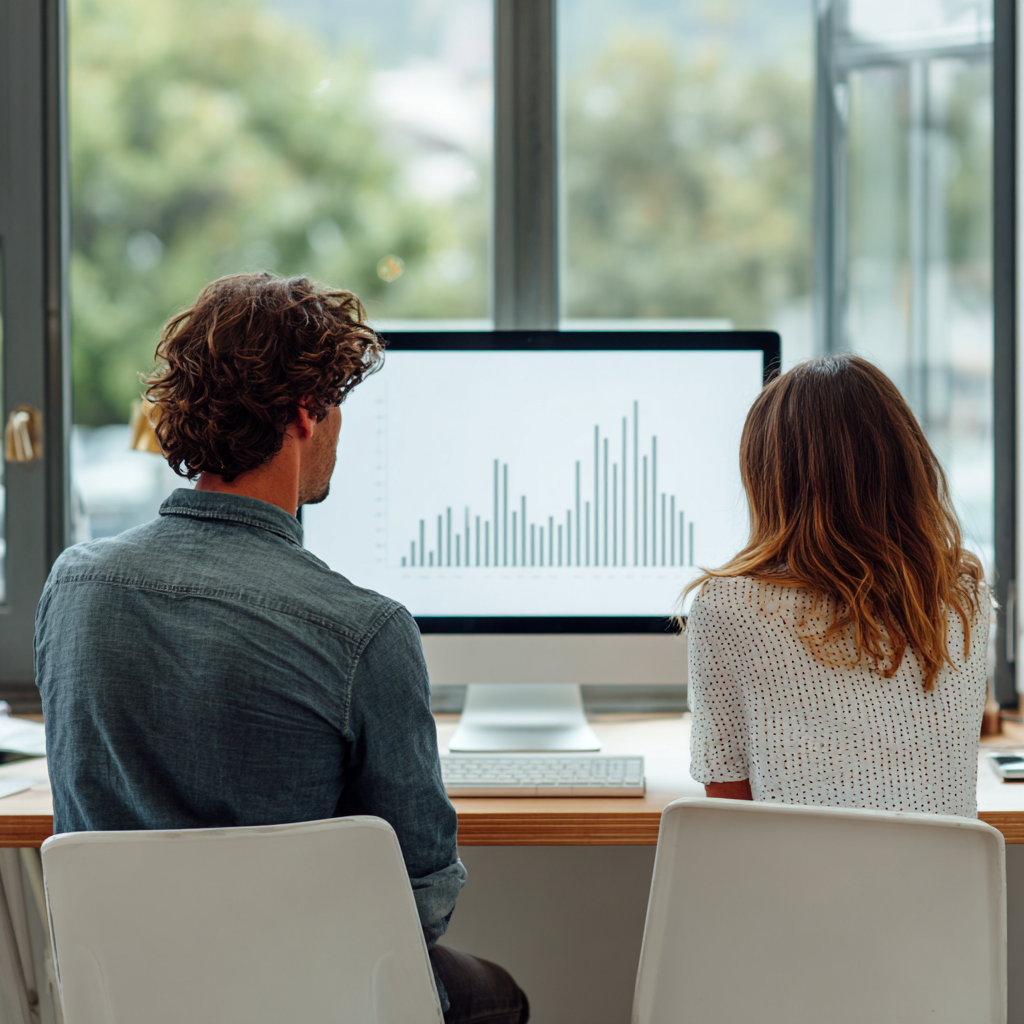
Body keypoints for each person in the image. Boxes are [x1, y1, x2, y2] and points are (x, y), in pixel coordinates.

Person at [35, 273, 529, 1023]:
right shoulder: (366, 632)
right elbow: (422, 901)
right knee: (500, 999)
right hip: (307, 996)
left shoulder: (73, 587)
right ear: (306, 413)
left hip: (131, 991)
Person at [686, 354, 989, 816]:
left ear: (769, 477)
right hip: (947, 888)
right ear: (908, 464)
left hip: (802, 889)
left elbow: (733, 816)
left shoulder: (730, 607)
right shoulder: (965, 597)